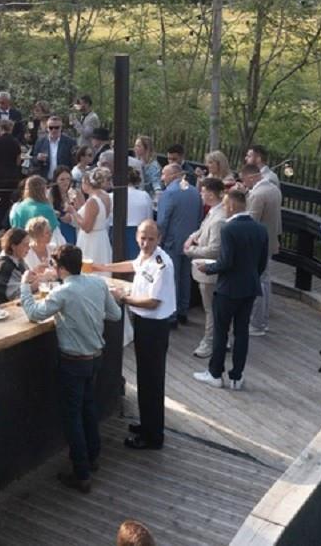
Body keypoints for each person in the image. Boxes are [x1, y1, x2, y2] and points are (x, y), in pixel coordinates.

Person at [21, 244, 122, 493]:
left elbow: (34, 313)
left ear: (62, 268)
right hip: (95, 357)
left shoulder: (63, 293)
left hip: (73, 362)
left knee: (73, 417)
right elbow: (116, 315)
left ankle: (81, 472)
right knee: (88, 407)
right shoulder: (98, 284)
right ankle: (92, 456)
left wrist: (25, 286)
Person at [93, 220, 176, 450]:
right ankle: (148, 424)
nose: (145, 242)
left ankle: (152, 436)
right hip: (143, 323)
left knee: (152, 381)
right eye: (142, 237)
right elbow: (132, 265)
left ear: (158, 239)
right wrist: (102, 267)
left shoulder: (162, 264)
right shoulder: (145, 257)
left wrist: (123, 298)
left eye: (150, 238)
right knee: (145, 378)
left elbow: (152, 302)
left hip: (154, 327)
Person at [194, 189, 268, 390]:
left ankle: (215, 373)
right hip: (250, 287)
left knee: (221, 332)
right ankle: (237, 376)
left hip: (227, 289)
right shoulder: (261, 229)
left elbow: (226, 262)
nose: (224, 208)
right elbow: (261, 263)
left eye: (226, 204)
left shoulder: (228, 229)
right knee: (242, 333)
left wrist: (207, 268)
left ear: (232, 206)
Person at [156, 162, 203, 326]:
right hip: (189, 241)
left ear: (174, 175)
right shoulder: (194, 192)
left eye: (164, 174)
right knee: (185, 277)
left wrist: (159, 240)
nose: (162, 177)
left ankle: (172, 314)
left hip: (172, 241)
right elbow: (199, 218)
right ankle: (183, 310)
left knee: (171, 278)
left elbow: (162, 221)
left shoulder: (169, 193)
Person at [185, 177, 227, 357]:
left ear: (210, 194)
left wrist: (191, 250)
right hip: (205, 270)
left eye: (202, 191)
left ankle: (209, 342)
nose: (200, 194)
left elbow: (214, 250)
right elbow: (202, 230)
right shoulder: (213, 212)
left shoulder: (219, 219)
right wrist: (191, 237)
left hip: (209, 272)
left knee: (211, 310)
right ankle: (222, 339)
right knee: (213, 309)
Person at [240, 163, 281, 336]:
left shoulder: (257, 194)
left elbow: (251, 221)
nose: (244, 184)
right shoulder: (273, 189)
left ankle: (257, 323)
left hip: (258, 244)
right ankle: (262, 320)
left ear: (250, 177)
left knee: (256, 283)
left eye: (244, 180)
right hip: (270, 239)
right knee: (265, 280)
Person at [64, 168, 113, 267]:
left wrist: (73, 211)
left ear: (87, 183)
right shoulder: (105, 196)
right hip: (102, 237)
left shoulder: (92, 201)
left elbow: (87, 228)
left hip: (91, 241)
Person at [0, 119, 23, 230]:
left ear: (0, 128)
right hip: (12, 176)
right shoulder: (15, 142)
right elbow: (18, 160)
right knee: (9, 201)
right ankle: (8, 225)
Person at [120, 168, 154, 260]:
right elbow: (149, 217)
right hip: (138, 232)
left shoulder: (113, 195)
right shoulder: (144, 195)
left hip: (118, 232)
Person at [0, 228, 31, 301]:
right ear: (14, 246)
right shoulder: (4, 265)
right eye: (25, 245)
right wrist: (33, 286)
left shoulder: (19, 260)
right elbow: (11, 293)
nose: (29, 248)